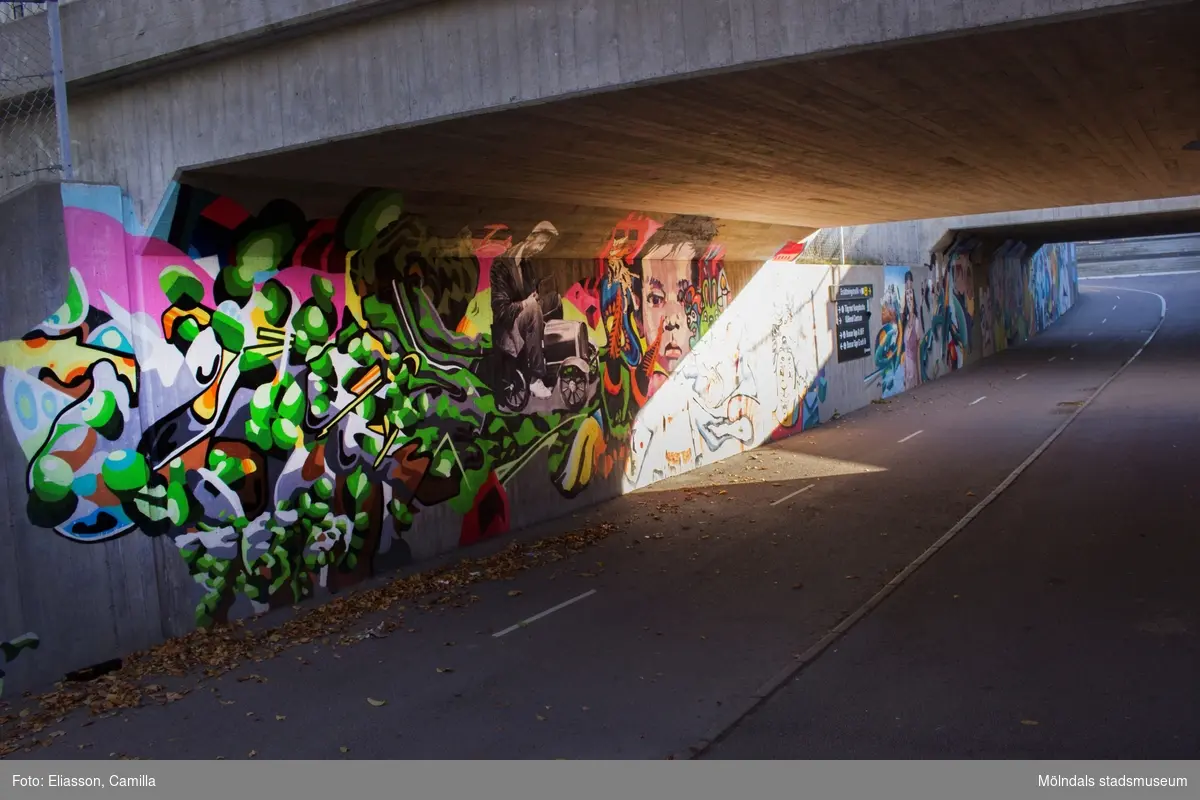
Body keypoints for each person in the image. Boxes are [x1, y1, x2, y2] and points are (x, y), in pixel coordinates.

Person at [490, 221, 559, 399]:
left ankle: (551, 352)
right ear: (530, 238)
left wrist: (533, 298)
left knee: (554, 299)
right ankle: (535, 378)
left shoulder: (527, 264)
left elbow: (530, 296)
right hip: (508, 326)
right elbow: (501, 310)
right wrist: (526, 304)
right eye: (540, 243)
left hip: (526, 317)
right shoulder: (501, 265)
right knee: (533, 306)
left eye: (544, 244)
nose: (541, 248)